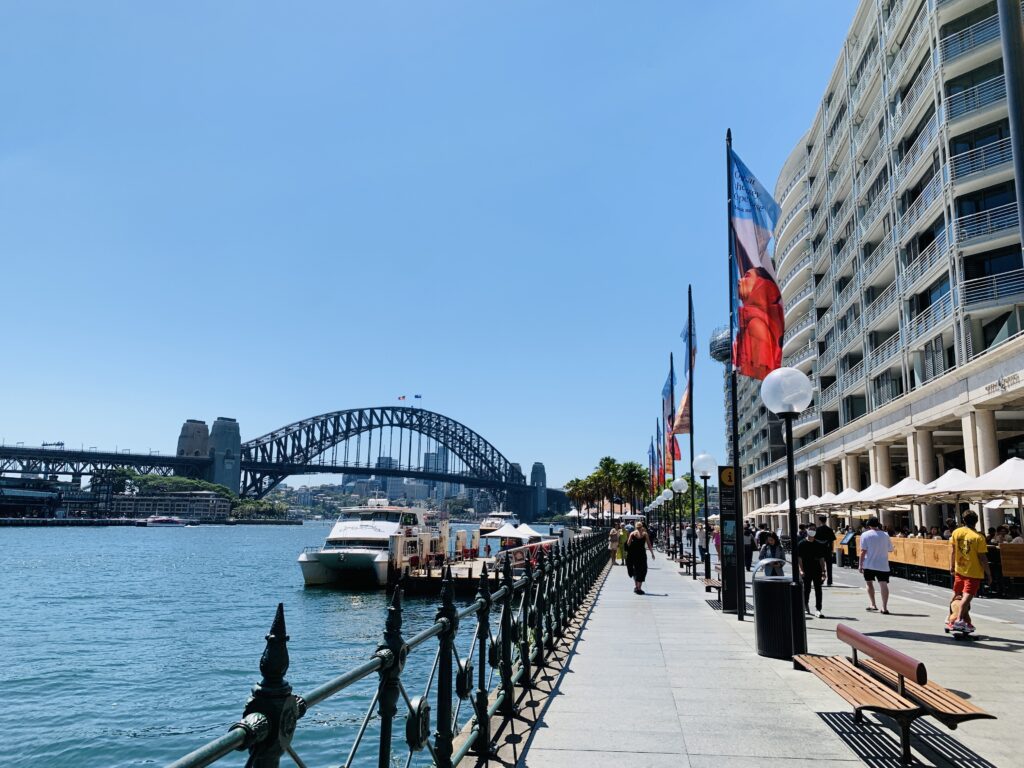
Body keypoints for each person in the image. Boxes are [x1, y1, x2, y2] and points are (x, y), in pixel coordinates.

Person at [948, 511, 992, 633]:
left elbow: (953, 551)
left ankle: (950, 618)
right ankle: (959, 620)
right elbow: (982, 558)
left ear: (963, 520)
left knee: (956, 594)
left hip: (959, 569)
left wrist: (951, 565)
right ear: (976, 521)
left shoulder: (956, 532)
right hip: (973, 572)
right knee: (966, 598)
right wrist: (988, 574)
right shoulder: (978, 537)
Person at [859, 516, 894, 613]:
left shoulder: (865, 535)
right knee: (883, 584)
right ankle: (884, 607)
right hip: (882, 564)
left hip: (869, 563)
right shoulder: (885, 535)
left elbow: (863, 551)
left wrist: (860, 564)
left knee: (869, 583)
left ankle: (873, 604)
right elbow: (890, 549)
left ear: (869, 525)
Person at [797, 527, 828, 618]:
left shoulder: (818, 544)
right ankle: (805, 605)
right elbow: (799, 559)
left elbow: (822, 559)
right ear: (807, 532)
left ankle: (818, 609)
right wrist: (801, 570)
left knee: (818, 590)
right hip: (806, 570)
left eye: (814, 530)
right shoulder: (801, 544)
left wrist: (823, 571)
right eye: (810, 530)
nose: (812, 532)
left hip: (817, 569)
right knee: (807, 589)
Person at [626, 521, 655, 594]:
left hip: (634, 554)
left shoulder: (632, 534)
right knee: (643, 569)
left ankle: (636, 587)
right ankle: (639, 587)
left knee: (636, 569)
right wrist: (652, 553)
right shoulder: (645, 534)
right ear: (642, 527)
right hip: (642, 554)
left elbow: (628, 544)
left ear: (635, 527)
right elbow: (649, 545)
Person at [815, 515, 837, 586]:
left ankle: (820, 579)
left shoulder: (817, 529)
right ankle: (829, 581)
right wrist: (832, 550)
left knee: (819, 566)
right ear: (826, 520)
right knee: (829, 566)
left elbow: (815, 540)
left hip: (819, 550)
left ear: (819, 520)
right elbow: (832, 541)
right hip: (828, 549)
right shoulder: (830, 529)